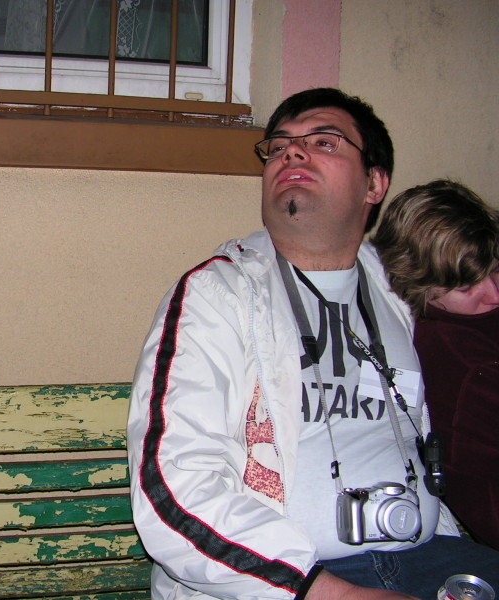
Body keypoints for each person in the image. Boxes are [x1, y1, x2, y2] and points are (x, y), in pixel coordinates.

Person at [127, 88, 499, 600]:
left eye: (324, 142)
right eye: (279, 146)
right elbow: (174, 487)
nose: (292, 153)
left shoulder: (402, 290)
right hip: (293, 582)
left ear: (374, 183)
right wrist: (331, 593)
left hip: (432, 555)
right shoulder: (218, 295)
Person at [372, 179, 499, 549]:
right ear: (419, 287)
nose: (493, 294)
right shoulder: (464, 361)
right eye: (466, 287)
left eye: (494, 270)